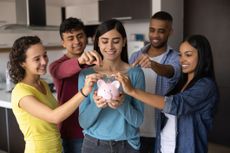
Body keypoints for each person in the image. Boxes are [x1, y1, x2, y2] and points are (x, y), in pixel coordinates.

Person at [116, 34, 219, 153]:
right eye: (180, 54)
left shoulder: (206, 86)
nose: (182, 60)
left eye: (188, 55)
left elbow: (176, 104)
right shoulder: (180, 82)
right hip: (164, 147)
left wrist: (133, 91)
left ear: (202, 56)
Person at [8, 36, 102, 153]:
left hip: (57, 148)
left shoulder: (42, 84)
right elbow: (54, 117)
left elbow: (59, 113)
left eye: (45, 55)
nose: (44, 61)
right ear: (22, 63)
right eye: (37, 59)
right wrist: (84, 91)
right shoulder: (21, 92)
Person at [78, 19, 145, 153]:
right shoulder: (87, 75)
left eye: (116, 41)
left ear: (124, 42)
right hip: (94, 145)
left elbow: (138, 121)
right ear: (97, 42)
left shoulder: (135, 74)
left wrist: (122, 103)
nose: (110, 47)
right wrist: (96, 106)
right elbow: (83, 123)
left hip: (126, 146)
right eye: (104, 41)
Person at [129, 11, 181, 153]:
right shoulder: (135, 56)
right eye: (152, 30)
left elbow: (171, 71)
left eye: (161, 31)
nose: (155, 35)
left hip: (161, 131)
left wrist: (152, 64)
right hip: (135, 129)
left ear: (170, 32)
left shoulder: (176, 58)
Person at [49, 17, 102, 153]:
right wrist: (81, 61)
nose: (77, 41)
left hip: (96, 129)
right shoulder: (56, 66)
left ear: (86, 37)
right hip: (72, 132)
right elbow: (63, 70)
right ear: (63, 43)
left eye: (80, 36)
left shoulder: (96, 62)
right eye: (70, 38)